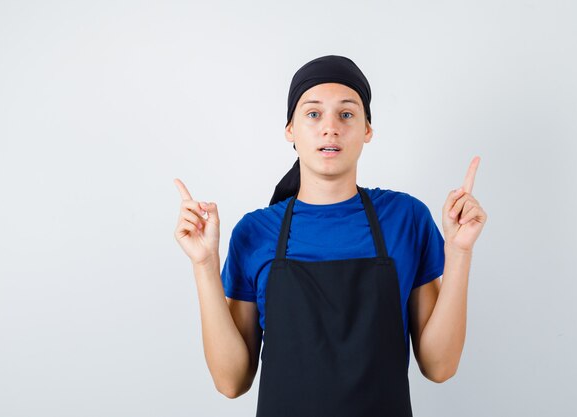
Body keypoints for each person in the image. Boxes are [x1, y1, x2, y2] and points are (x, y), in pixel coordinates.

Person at [173, 55, 487, 416]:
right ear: (290, 129)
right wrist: (204, 264)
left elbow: (440, 367)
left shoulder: (406, 219)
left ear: (367, 129)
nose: (330, 128)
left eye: (347, 114)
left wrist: (460, 253)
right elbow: (231, 382)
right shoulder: (255, 232)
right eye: (313, 114)